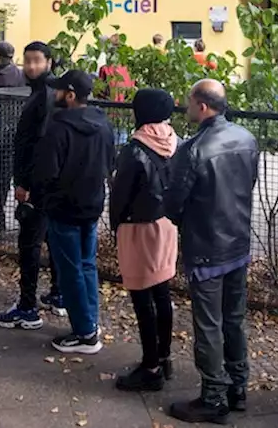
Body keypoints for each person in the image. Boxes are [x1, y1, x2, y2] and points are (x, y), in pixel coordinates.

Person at [164, 79, 259, 424]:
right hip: (237, 243)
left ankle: (213, 397)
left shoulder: (192, 150)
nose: (186, 106)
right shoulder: (246, 138)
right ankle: (238, 388)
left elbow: (173, 205)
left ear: (202, 106)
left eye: (190, 100)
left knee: (208, 325)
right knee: (234, 318)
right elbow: (249, 183)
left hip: (206, 247)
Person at [34, 69, 116, 355]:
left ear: (69, 95)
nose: (54, 95)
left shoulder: (57, 128)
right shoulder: (104, 124)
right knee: (87, 265)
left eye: (58, 91)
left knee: (70, 270)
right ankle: (90, 322)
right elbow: (110, 163)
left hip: (63, 208)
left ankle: (84, 333)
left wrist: (45, 196)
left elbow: (46, 172)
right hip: (92, 206)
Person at [109, 88, 180, 393]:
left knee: (141, 297)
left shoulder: (134, 149)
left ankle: (149, 368)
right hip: (166, 225)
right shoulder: (177, 142)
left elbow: (120, 194)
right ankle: (164, 357)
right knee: (162, 294)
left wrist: (116, 225)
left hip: (138, 227)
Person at [0, 41, 66, 330]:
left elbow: (35, 145)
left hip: (38, 184)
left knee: (30, 243)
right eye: (28, 60)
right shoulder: (50, 93)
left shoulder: (43, 97)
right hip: (51, 182)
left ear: (49, 62)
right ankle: (58, 295)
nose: (31, 66)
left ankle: (27, 306)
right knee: (52, 238)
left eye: (37, 60)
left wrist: (24, 183)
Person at [97, 34, 134, 102]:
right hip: (127, 106)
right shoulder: (129, 68)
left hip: (112, 106)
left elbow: (99, 93)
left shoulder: (104, 69)